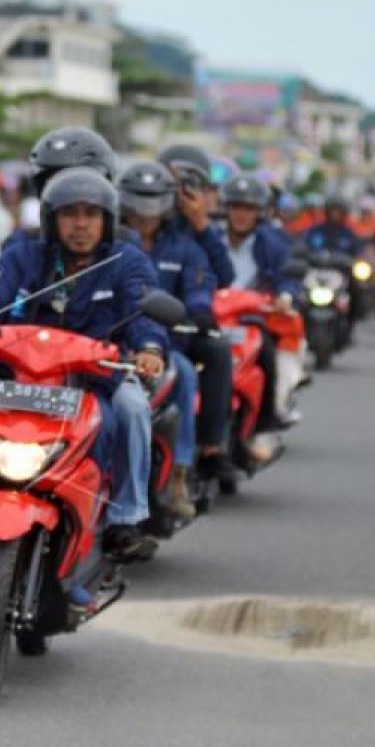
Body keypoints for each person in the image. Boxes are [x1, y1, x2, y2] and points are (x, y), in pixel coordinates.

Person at [0, 167, 172, 565]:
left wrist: (148, 348)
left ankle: (125, 519)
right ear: (51, 220)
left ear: (107, 220)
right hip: (19, 378)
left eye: (91, 214)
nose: (80, 224)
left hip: (96, 381)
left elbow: (143, 311)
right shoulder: (25, 255)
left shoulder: (128, 262)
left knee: (131, 410)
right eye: (70, 214)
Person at [118, 160, 237, 519]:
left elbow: (203, 285)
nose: (146, 212)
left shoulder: (186, 245)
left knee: (184, 373)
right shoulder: (110, 240)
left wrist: (197, 313)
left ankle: (178, 475)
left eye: (155, 201)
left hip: (167, 345)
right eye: (139, 201)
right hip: (111, 343)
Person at [220, 175, 305, 451]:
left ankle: (263, 425)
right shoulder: (211, 239)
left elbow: (288, 277)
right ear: (226, 208)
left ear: (260, 212)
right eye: (236, 207)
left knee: (266, 353)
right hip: (212, 318)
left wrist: (285, 296)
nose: (241, 215)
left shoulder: (273, 243)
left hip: (254, 321)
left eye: (249, 208)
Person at [158, 144, 236, 289]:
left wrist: (201, 225)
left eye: (190, 184)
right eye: (174, 184)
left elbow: (225, 277)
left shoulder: (210, 232)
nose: (181, 192)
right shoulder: (149, 223)